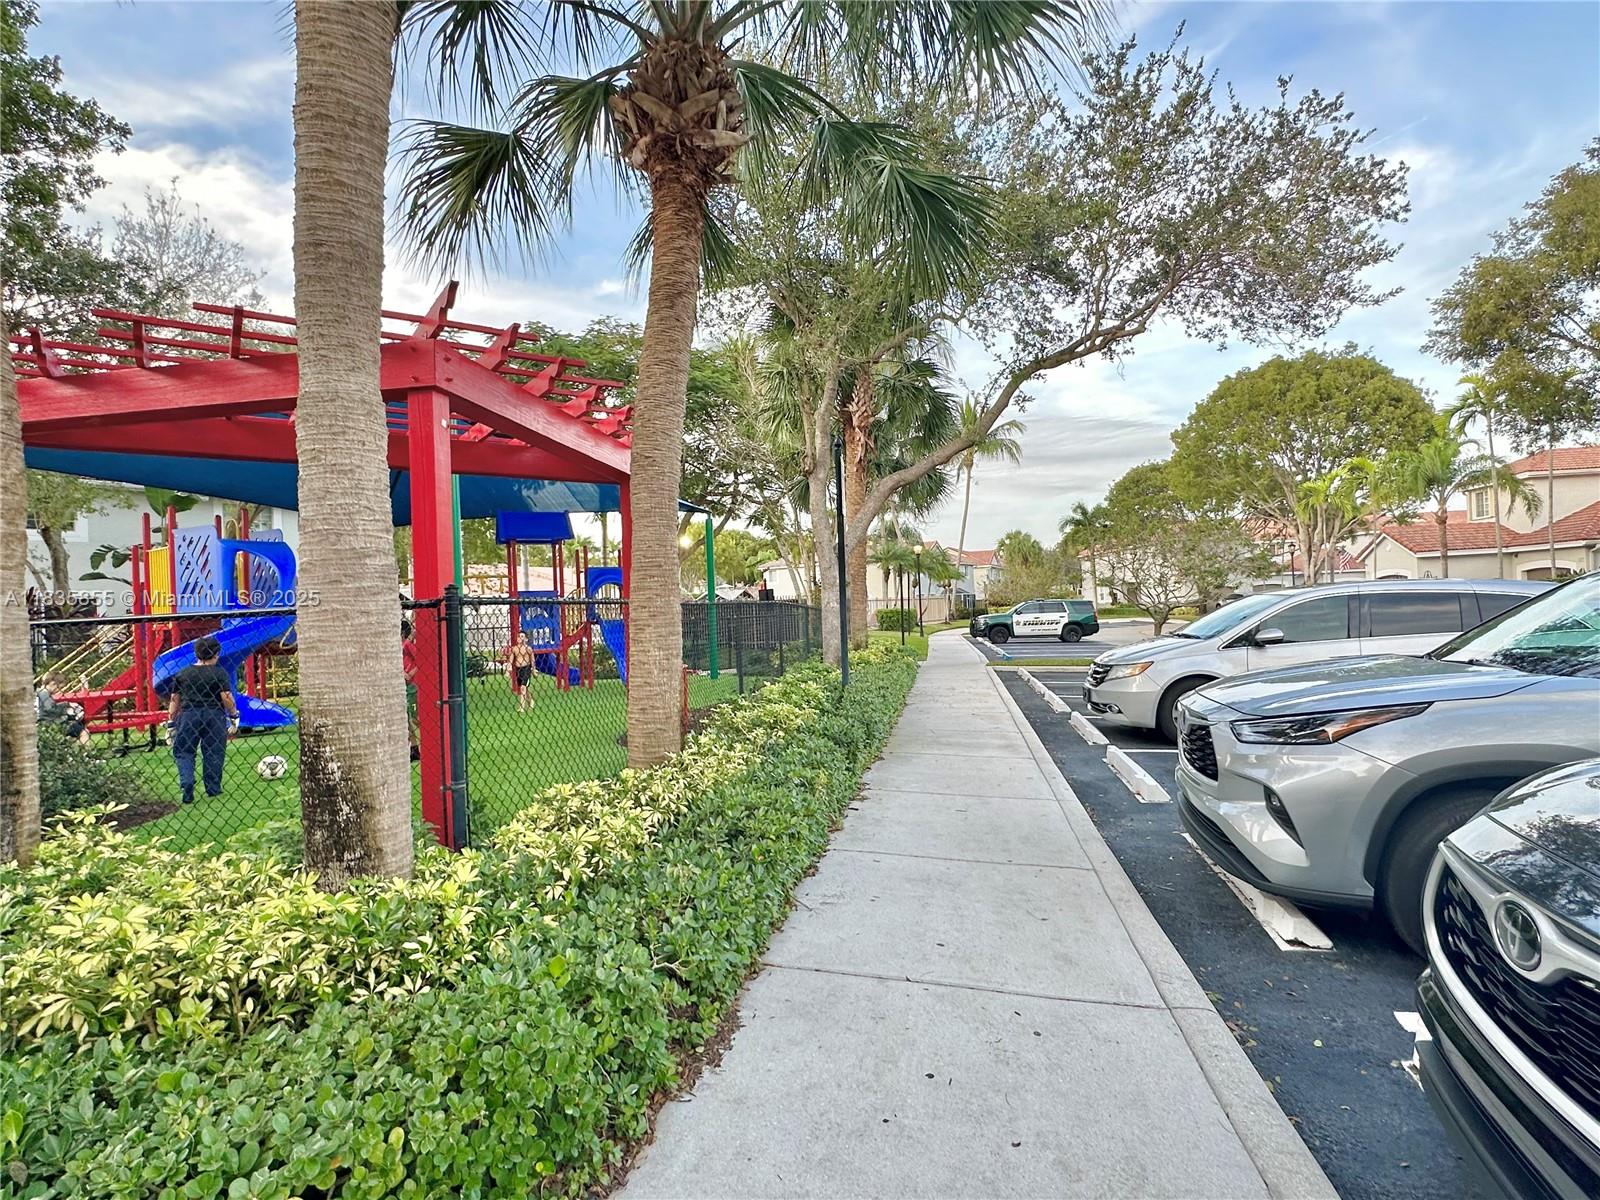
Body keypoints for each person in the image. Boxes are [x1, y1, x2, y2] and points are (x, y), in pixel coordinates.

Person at [166, 635, 238, 804]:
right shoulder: (219, 673)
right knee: (214, 751)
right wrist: (233, 714)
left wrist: (171, 722)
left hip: (189, 714)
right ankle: (213, 788)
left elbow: (174, 700)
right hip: (214, 715)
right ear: (216, 653)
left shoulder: (183, 673)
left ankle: (187, 781)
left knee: (184, 750)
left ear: (196, 653)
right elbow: (226, 697)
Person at [35, 673, 89, 745]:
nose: (58, 690)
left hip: (44, 724)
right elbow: (50, 709)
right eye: (58, 688)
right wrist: (66, 704)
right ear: (53, 683)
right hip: (50, 724)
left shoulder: (38, 692)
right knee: (84, 732)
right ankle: (85, 751)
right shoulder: (44, 694)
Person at [505, 631, 536, 713]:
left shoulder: (528, 648)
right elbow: (510, 660)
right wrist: (508, 670)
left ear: (526, 639)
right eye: (519, 636)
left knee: (523, 687)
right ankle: (531, 700)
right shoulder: (514, 649)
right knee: (524, 688)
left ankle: (522, 707)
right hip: (518, 670)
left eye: (522, 636)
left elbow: (532, 660)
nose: (520, 638)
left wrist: (533, 670)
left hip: (526, 669)